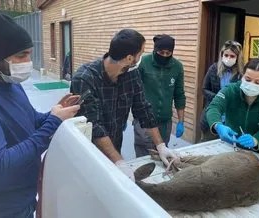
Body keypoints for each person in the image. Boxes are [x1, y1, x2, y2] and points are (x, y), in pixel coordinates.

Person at [0, 10, 80, 218]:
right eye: (21, 55)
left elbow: (29, 120)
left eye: (29, 53)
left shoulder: (9, 82)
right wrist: (53, 123)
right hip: (3, 210)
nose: (29, 61)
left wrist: (53, 114)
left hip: (25, 197)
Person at [70, 29, 179, 181]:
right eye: (141, 53)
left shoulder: (131, 73)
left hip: (114, 145)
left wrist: (160, 145)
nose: (142, 56)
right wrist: (120, 161)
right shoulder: (84, 78)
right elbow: (93, 125)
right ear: (129, 58)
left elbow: (143, 108)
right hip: (89, 152)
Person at [206, 58, 259, 161]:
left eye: (258, 82)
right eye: (248, 79)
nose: (251, 84)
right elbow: (214, 107)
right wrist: (217, 125)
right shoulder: (231, 90)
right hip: (232, 146)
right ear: (242, 77)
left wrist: (256, 140)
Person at [134, 34, 186, 157]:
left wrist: (181, 122)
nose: (164, 56)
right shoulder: (143, 63)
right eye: (161, 52)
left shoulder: (177, 67)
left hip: (164, 122)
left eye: (168, 53)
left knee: (162, 155)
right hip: (144, 121)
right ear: (155, 50)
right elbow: (132, 92)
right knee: (144, 159)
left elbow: (179, 95)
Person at [200, 40, 244, 142]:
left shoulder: (242, 74)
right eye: (226, 55)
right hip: (212, 118)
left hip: (231, 120)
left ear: (238, 58)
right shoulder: (214, 69)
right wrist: (219, 98)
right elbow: (204, 89)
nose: (228, 58)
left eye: (232, 56)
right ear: (222, 55)